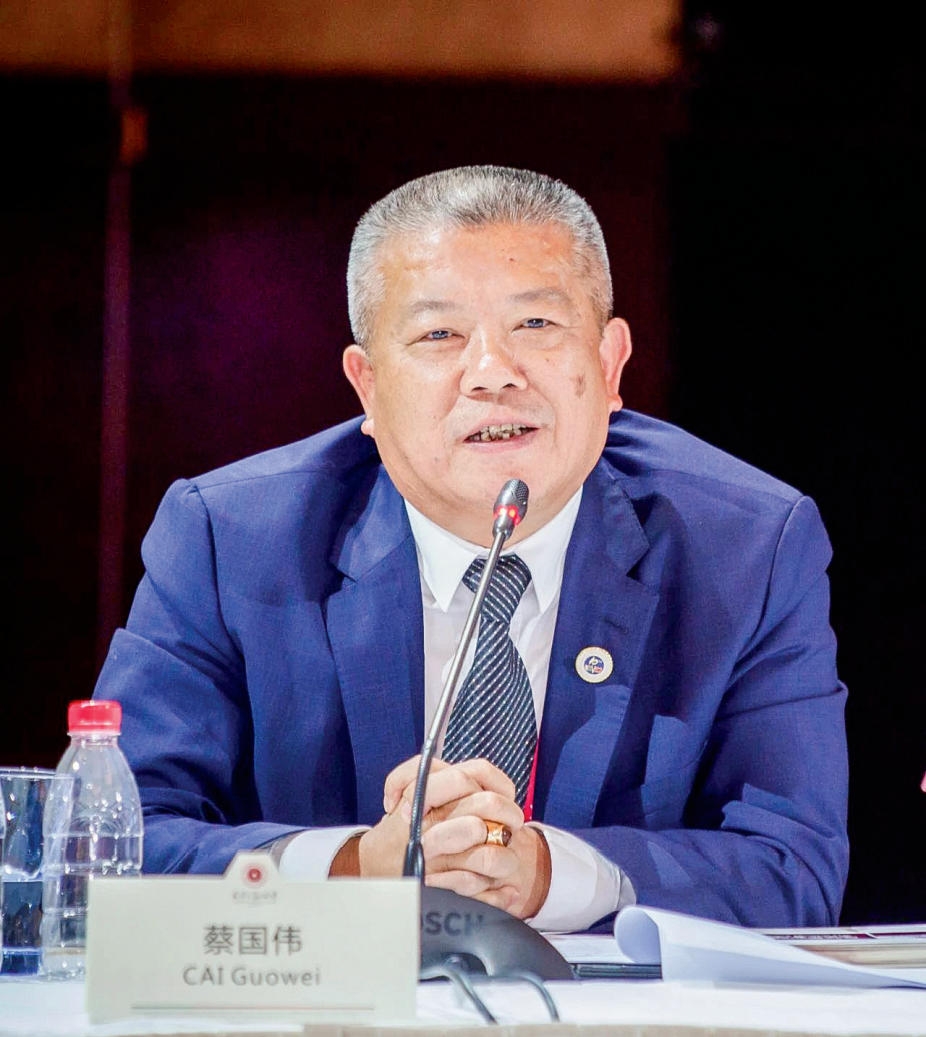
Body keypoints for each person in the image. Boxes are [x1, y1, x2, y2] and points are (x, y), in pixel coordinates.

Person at [93, 165, 849, 932]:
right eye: (439, 334)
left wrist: (549, 873)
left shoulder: (747, 547)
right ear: (367, 386)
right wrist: (357, 866)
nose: (492, 374)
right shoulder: (231, 538)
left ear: (610, 364)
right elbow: (112, 841)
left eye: (536, 324)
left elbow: (794, 865)